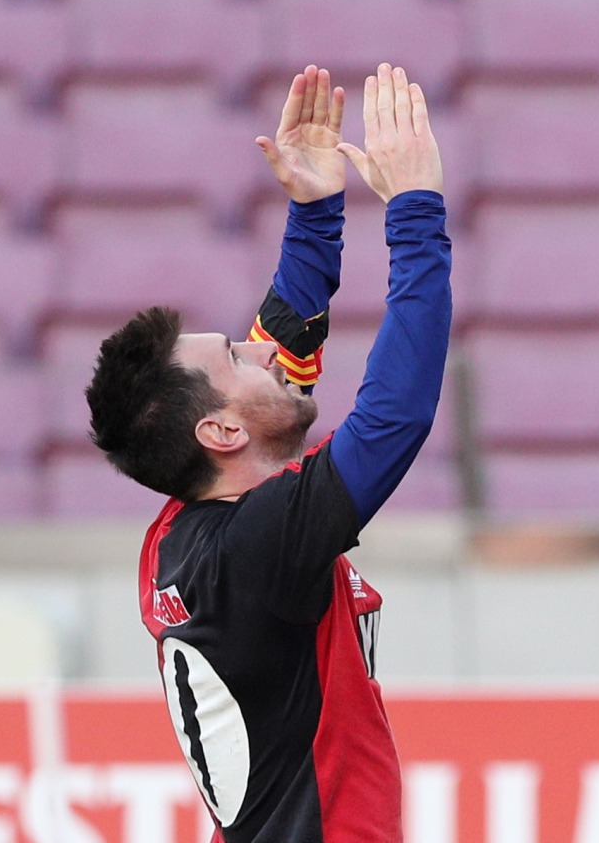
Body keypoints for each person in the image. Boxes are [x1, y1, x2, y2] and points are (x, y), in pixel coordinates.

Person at [84, 62, 450, 843]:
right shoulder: (259, 544)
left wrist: (315, 209)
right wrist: (415, 210)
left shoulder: (187, 530)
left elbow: (286, 330)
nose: (265, 353)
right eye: (239, 360)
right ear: (222, 432)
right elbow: (396, 414)